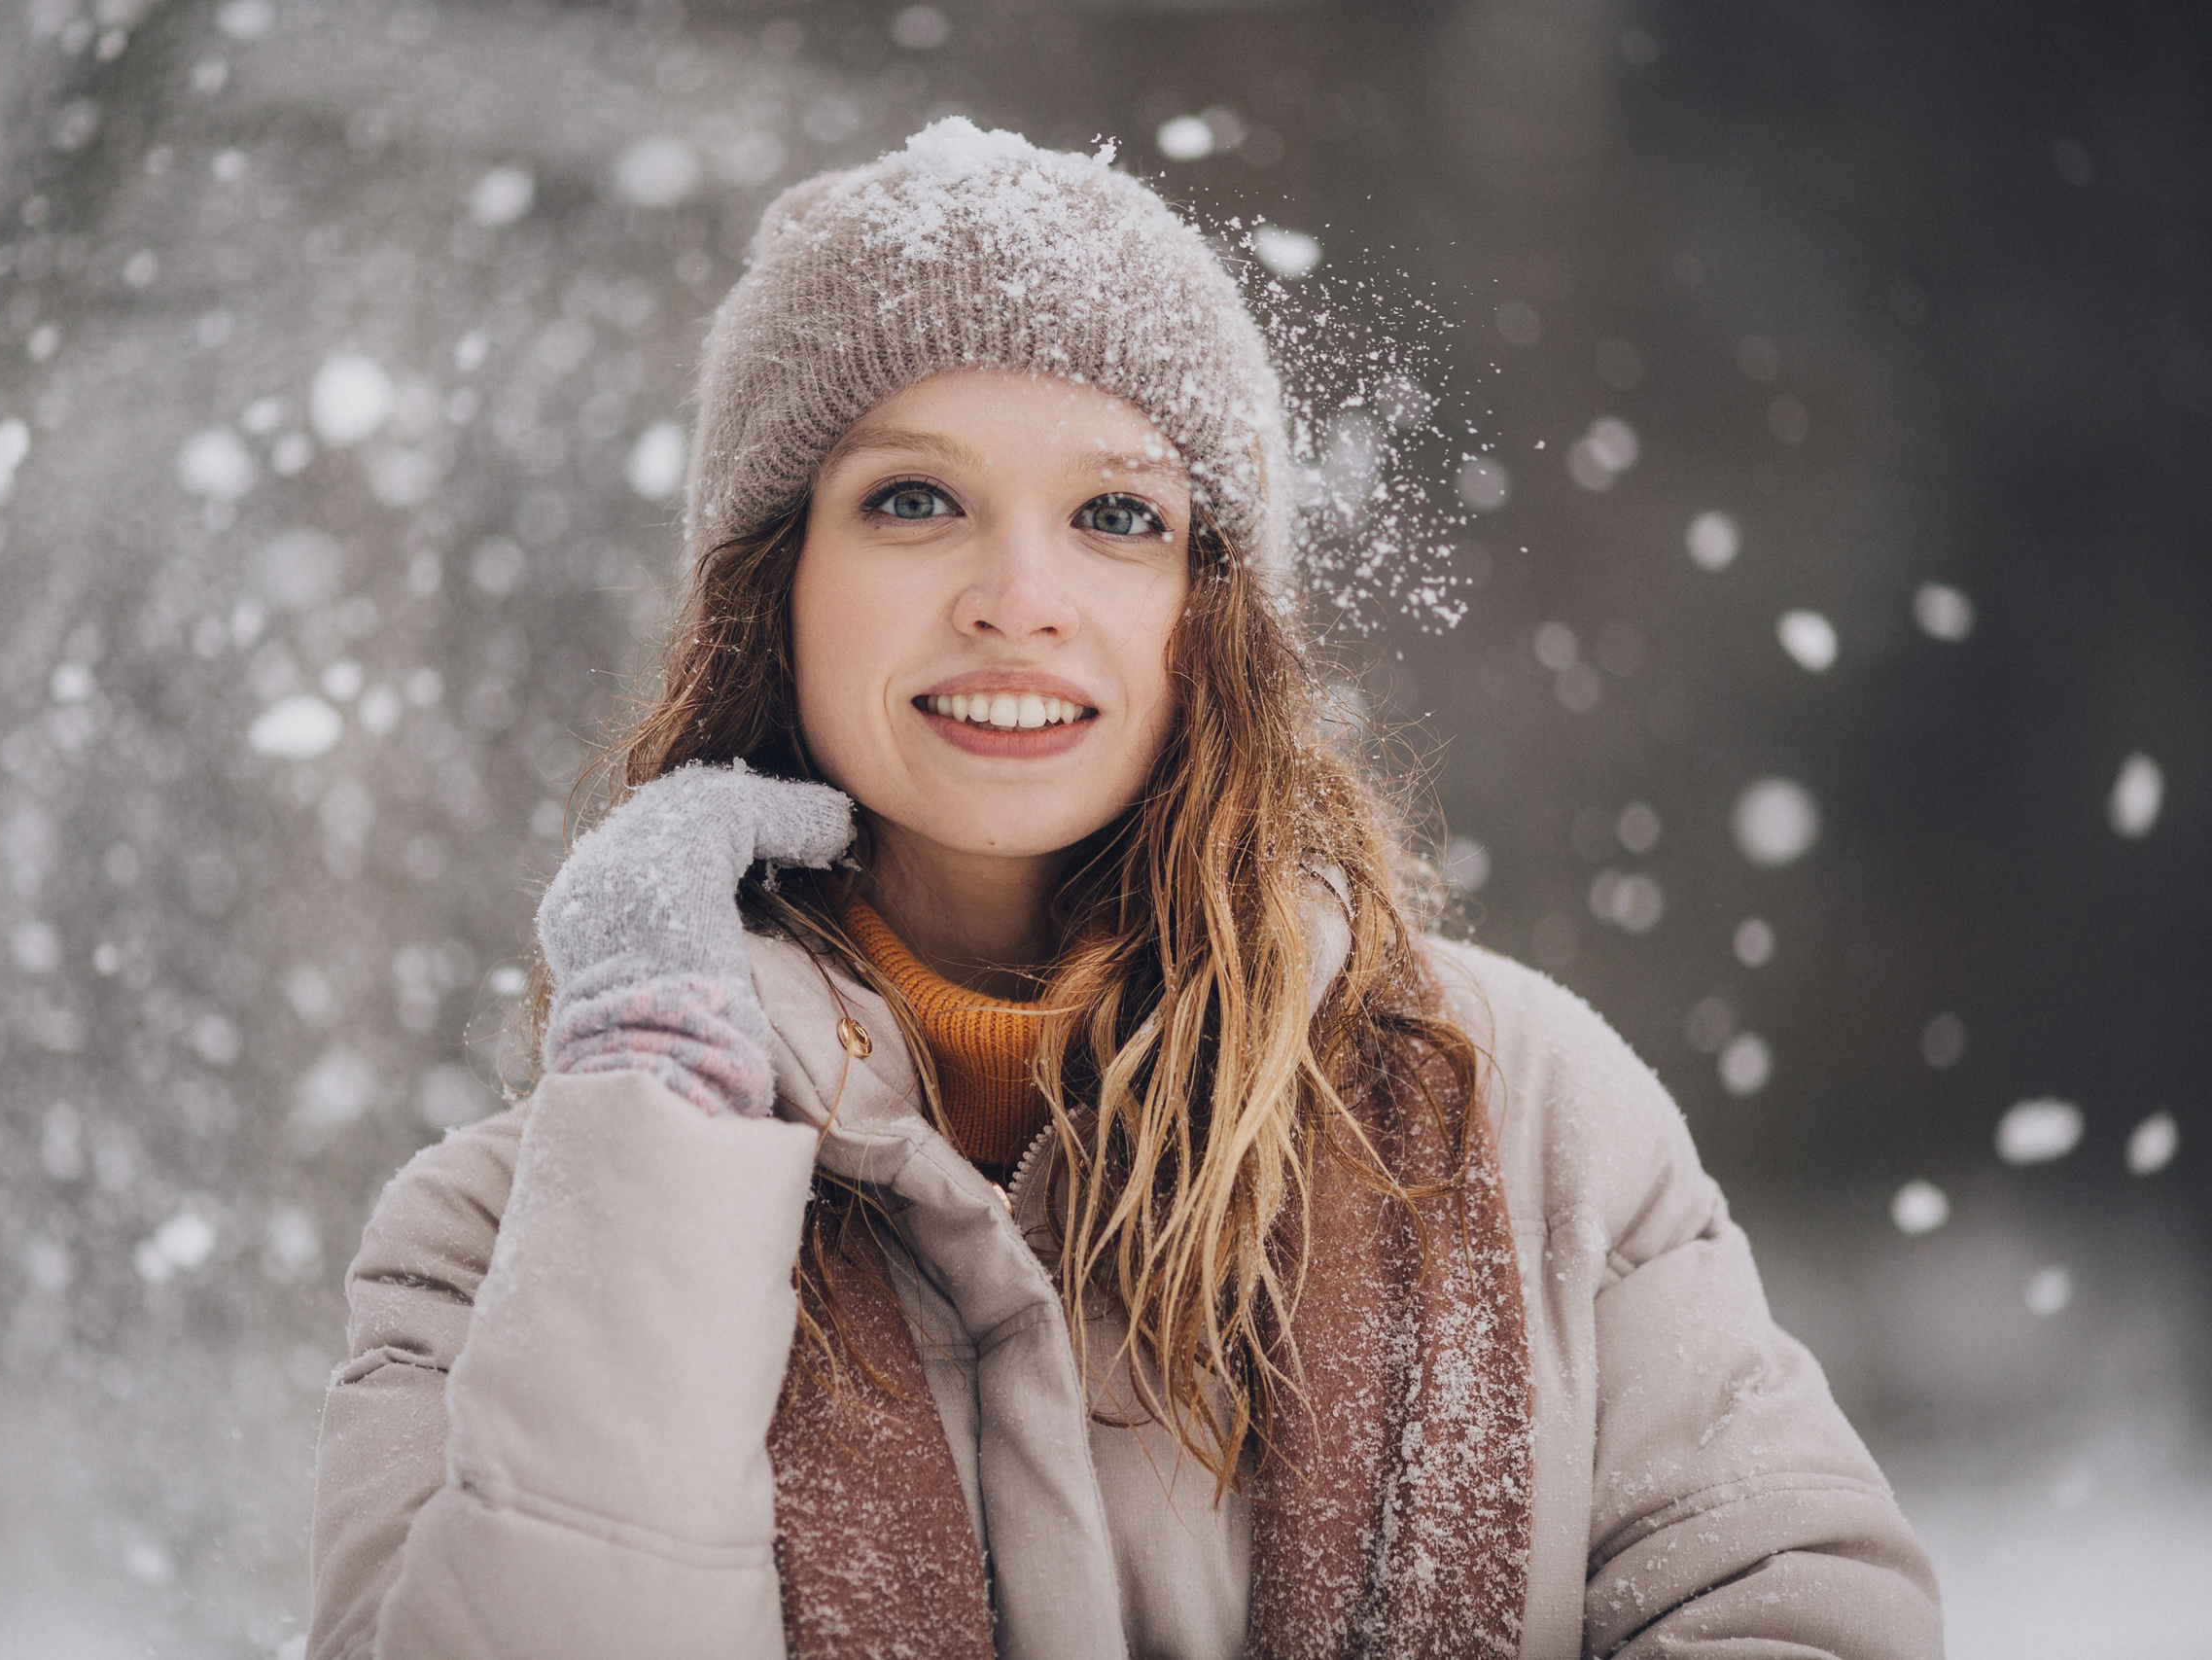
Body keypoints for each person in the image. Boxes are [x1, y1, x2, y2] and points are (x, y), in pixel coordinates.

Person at [306, 120, 1940, 1660]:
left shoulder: (1522, 1119)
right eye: (914, 499)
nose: (1021, 598)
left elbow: (1797, 1610)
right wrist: (658, 1135)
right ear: (774, 585)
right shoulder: (497, 1235)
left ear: (1207, 607)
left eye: (1115, 515)